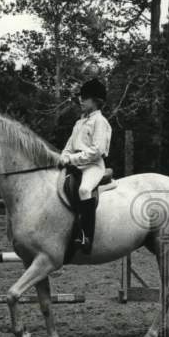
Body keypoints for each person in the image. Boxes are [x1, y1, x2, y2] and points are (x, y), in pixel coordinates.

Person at [59, 78, 112, 254]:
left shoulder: (100, 122)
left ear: (96, 101)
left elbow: (97, 150)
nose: (81, 100)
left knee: (84, 190)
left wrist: (72, 159)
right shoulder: (79, 123)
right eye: (81, 97)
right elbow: (68, 146)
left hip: (93, 166)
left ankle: (86, 236)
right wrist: (64, 156)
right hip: (76, 166)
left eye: (85, 98)